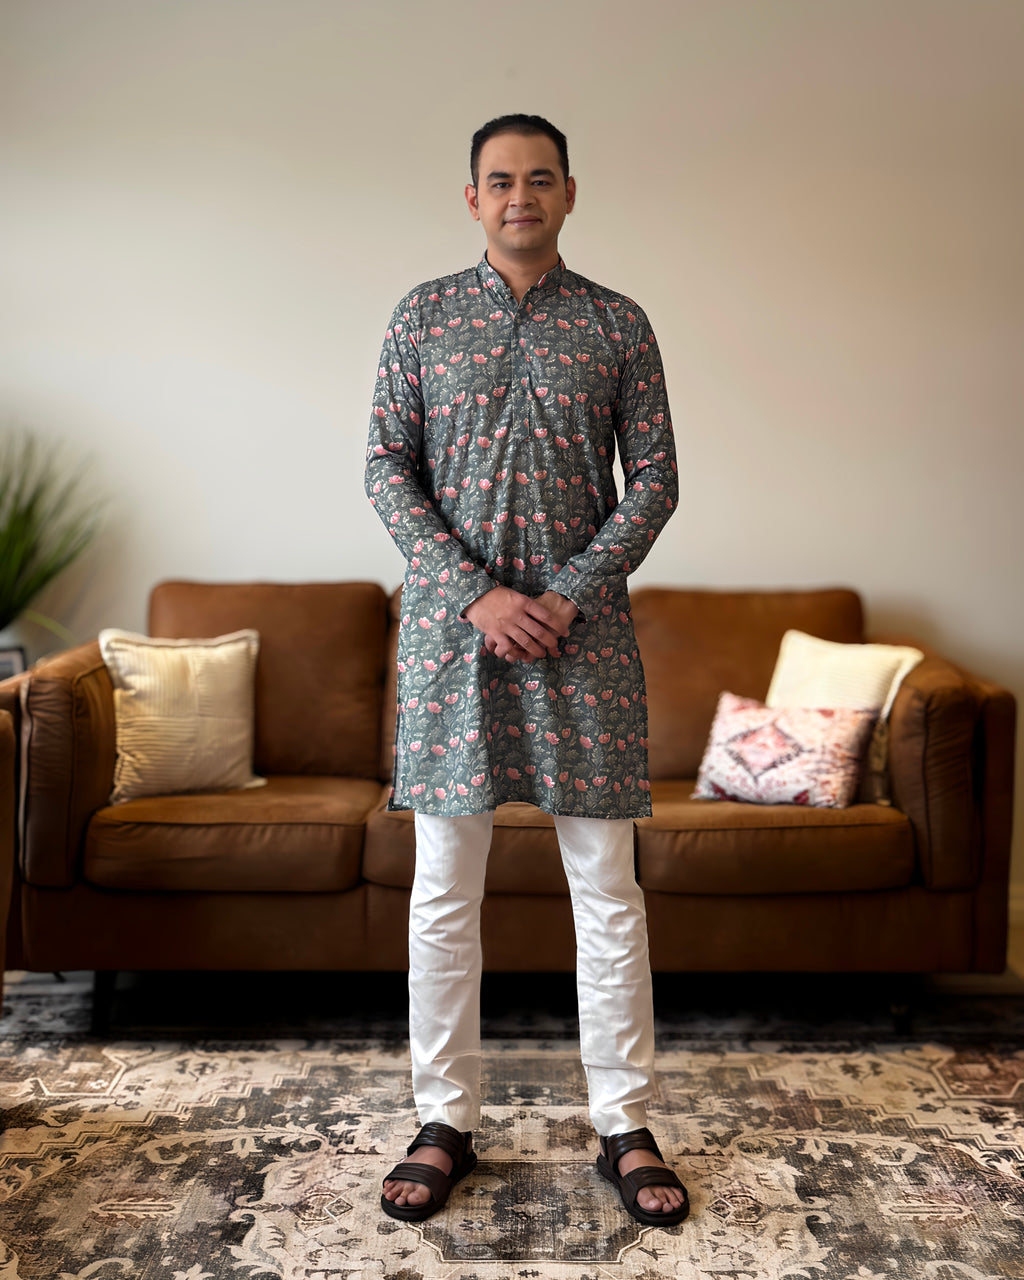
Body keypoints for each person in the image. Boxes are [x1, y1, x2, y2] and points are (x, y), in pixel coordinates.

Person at [364, 113, 687, 1229]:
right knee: (444, 889)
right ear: (472, 198)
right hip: (453, 641)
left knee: (606, 889)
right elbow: (386, 468)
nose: (519, 196)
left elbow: (654, 479)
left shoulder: (617, 322)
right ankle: (443, 1118)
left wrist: (565, 593)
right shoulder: (421, 316)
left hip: (581, 642)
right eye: (499, 180)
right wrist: (478, 594)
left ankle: (624, 1121)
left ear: (568, 193)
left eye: (538, 179)